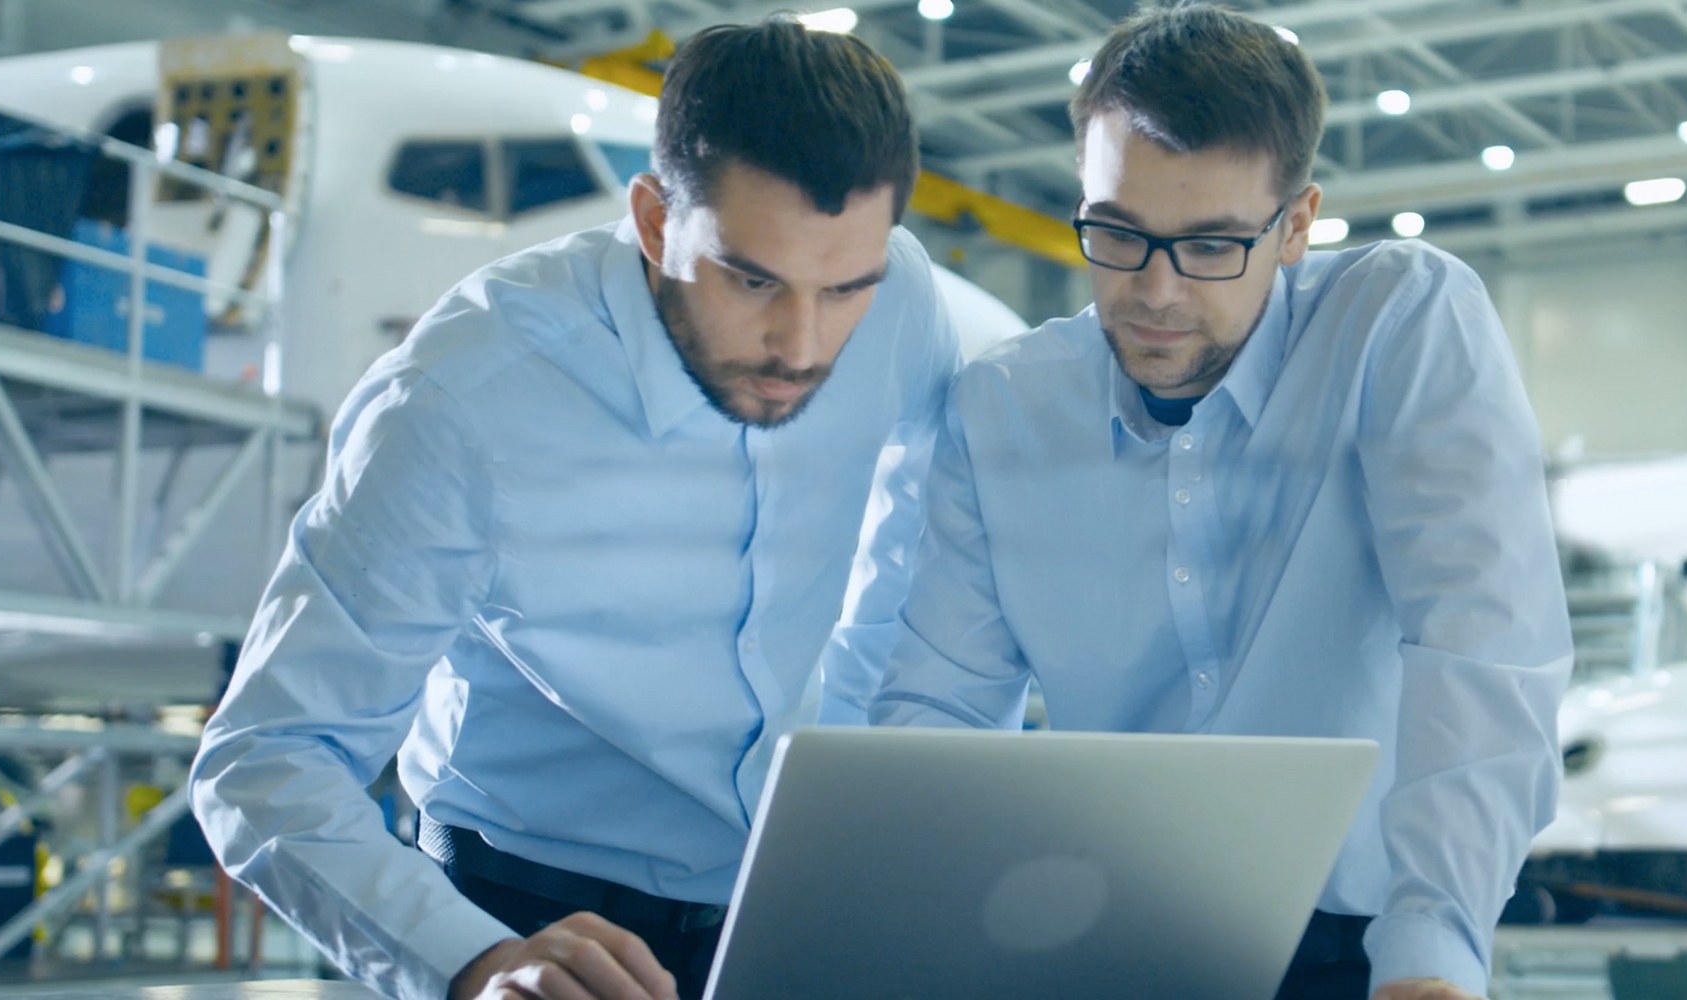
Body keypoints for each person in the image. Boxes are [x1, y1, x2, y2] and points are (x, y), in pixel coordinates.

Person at [190, 19, 955, 1000]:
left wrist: (876, 795)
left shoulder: (904, 303)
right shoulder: (467, 395)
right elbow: (267, 758)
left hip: (802, 901)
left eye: (844, 286)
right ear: (651, 221)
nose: (801, 345)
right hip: (533, 914)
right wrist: (470, 958)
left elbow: (923, 569)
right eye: (751, 278)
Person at [865, 5, 1572, 999]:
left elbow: (1482, 650)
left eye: (1208, 246)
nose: (1155, 292)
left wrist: (1433, 947)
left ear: (1295, 226)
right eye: (1117, 233)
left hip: (1359, 943)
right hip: (1100, 938)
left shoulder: (1396, 324)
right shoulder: (1005, 405)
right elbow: (936, 705)